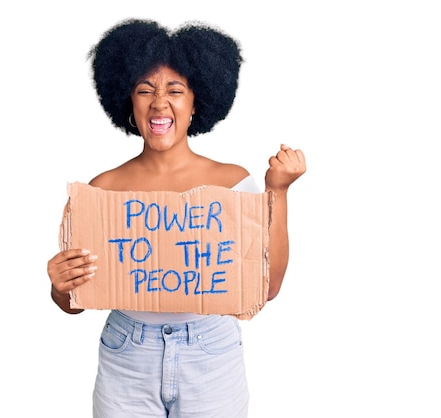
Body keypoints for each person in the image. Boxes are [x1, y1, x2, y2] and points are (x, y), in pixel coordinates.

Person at [47, 18, 306, 418]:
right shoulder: (101, 190)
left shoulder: (232, 183)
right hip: (126, 356)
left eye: (175, 90)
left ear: (196, 102)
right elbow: (73, 302)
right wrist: (60, 286)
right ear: (128, 103)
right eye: (144, 90)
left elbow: (267, 288)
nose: (159, 103)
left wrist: (279, 192)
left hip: (212, 354)